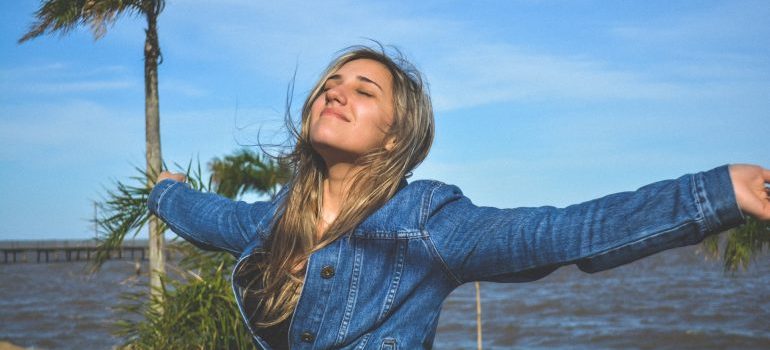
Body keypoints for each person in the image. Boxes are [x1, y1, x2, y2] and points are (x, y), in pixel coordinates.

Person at [148, 46, 770, 349]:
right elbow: (210, 216)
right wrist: (166, 194)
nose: (335, 94)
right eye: (329, 85)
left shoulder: (428, 224)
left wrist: (715, 192)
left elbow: (562, 231)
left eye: (364, 90)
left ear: (396, 133)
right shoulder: (275, 221)